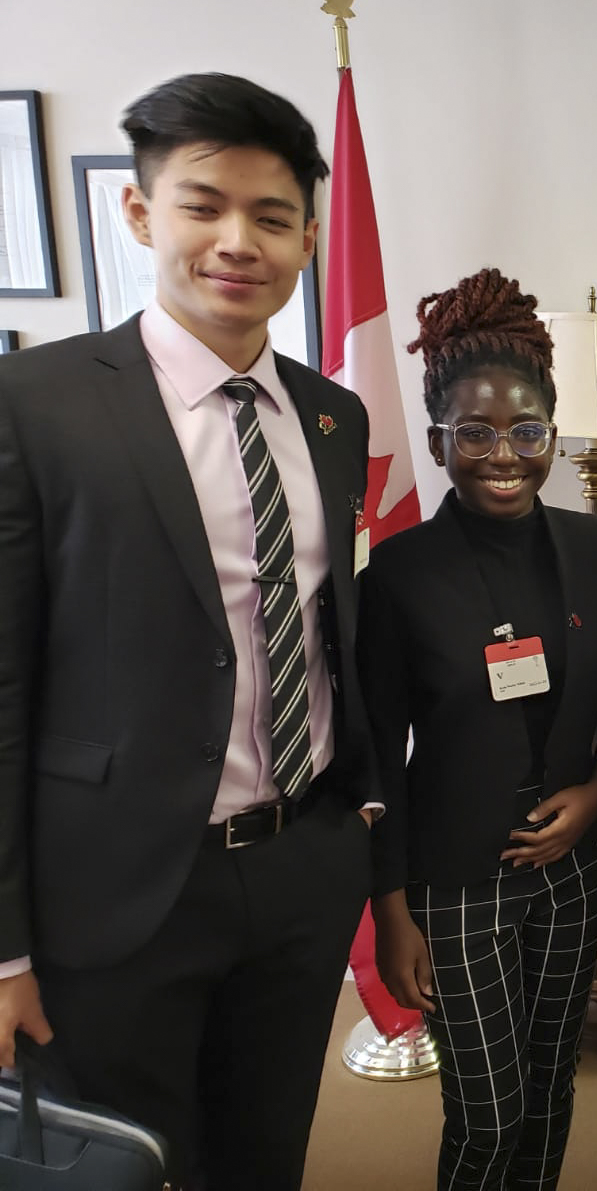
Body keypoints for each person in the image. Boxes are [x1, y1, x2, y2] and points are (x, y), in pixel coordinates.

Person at [0, 73, 376, 1188]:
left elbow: (326, 634)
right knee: (127, 1165)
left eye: (270, 217)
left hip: (299, 874)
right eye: (202, 205)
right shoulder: (35, 404)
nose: (235, 241)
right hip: (115, 892)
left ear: (309, 237)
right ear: (139, 212)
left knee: (265, 1156)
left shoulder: (332, 416)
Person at [358, 267, 597, 1190]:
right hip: (451, 881)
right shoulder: (396, 576)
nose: (502, 453)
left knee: (553, 1086)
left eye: (526, 429)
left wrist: (593, 800)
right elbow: (376, 762)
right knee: (488, 1107)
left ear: (553, 432)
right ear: (438, 442)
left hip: (572, 869)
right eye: (473, 432)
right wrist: (389, 913)